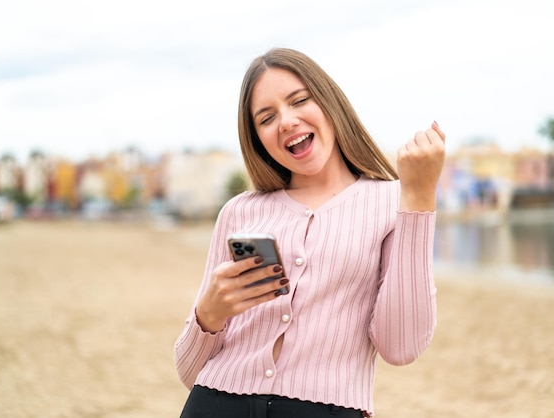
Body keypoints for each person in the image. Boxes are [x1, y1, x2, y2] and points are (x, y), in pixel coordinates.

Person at [174, 47, 446, 418]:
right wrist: (208, 315)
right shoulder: (240, 211)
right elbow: (190, 373)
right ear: (257, 138)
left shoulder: (391, 202)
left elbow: (401, 347)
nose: (286, 121)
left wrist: (418, 197)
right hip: (214, 403)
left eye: (299, 100)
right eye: (266, 118)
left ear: (329, 103)